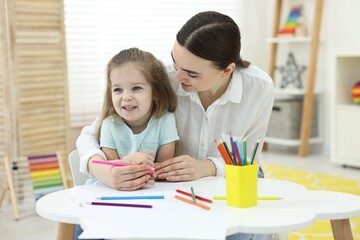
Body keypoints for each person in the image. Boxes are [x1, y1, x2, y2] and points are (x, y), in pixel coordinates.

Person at [76, 11, 274, 240]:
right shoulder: (162, 80)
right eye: (175, 62)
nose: (178, 77)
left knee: (240, 232)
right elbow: (90, 134)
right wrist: (100, 168)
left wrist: (206, 167)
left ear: (227, 70)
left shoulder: (258, 88)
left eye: (191, 73)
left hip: (231, 177)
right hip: (175, 188)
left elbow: (249, 157)